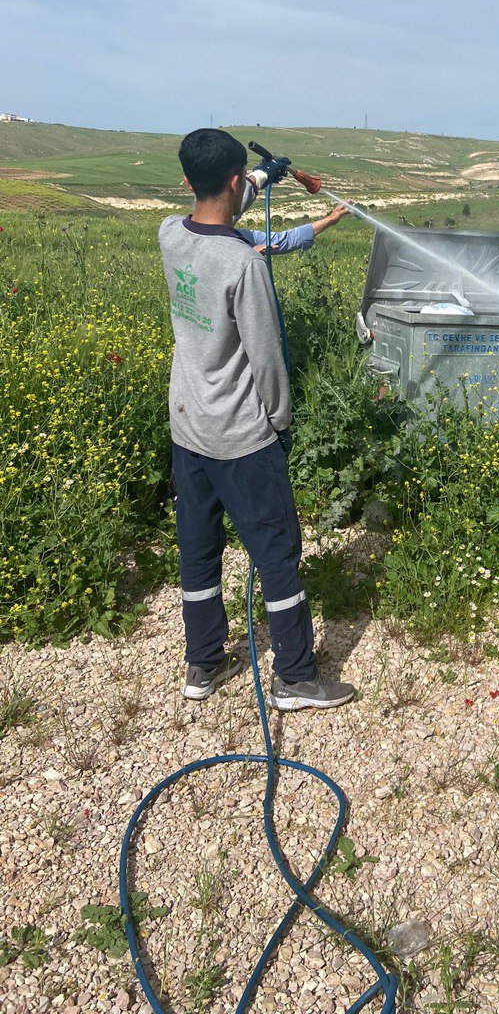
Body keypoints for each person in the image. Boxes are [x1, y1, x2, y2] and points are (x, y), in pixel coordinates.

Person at [158, 127, 355, 710]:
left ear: (188, 180)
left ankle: (203, 664)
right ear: (234, 181)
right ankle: (294, 676)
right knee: (275, 551)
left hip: (187, 425)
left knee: (198, 547)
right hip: (243, 436)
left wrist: (264, 176)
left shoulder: (169, 235)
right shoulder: (244, 265)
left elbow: (220, 204)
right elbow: (267, 359)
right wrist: (281, 422)